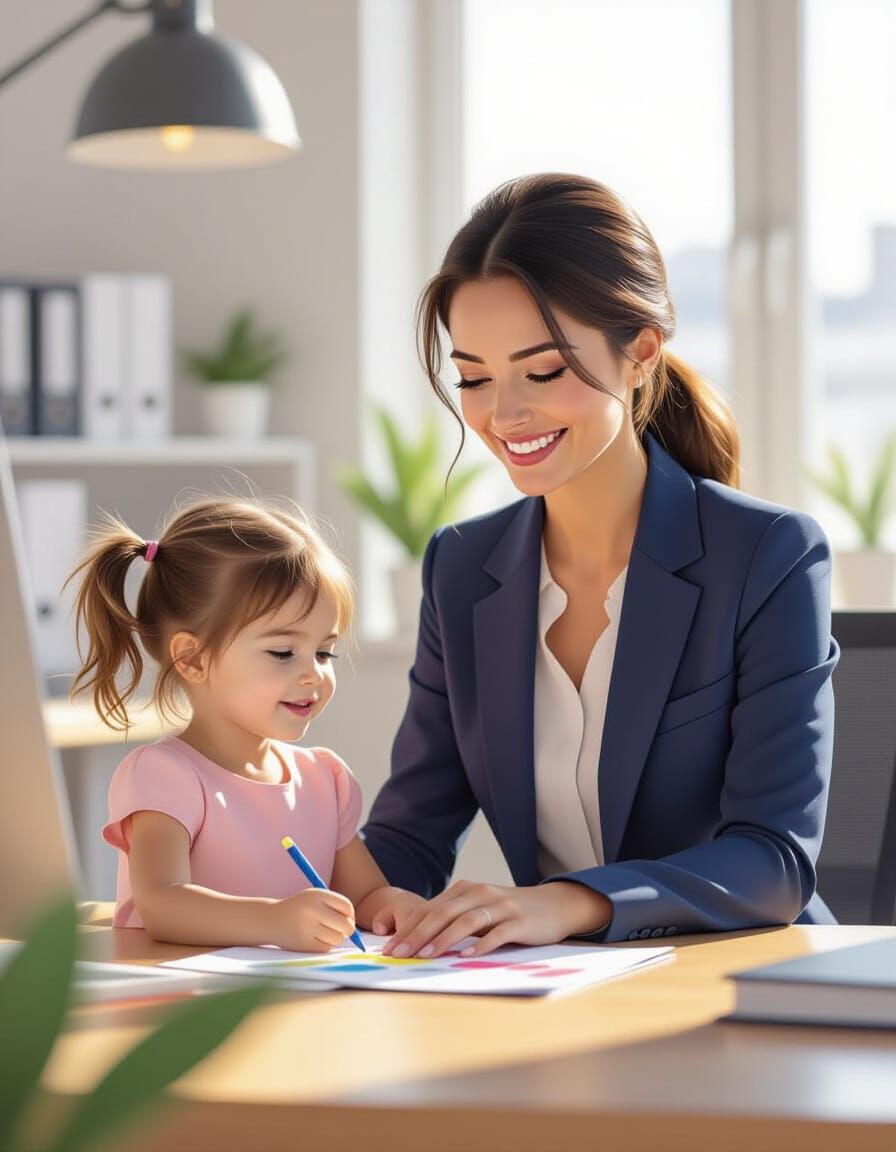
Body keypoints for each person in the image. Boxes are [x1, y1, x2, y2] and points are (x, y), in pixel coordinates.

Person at [362, 173, 839, 959]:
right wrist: (268, 858)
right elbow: (409, 837)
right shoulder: (462, 567)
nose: (503, 413)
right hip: (554, 990)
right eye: (474, 377)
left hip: (741, 983)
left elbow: (774, 860)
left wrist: (566, 903)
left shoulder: (768, 555)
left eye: (543, 371)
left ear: (641, 353)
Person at [66, 497, 423, 949]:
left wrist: (397, 907)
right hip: (176, 988)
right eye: (283, 652)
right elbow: (161, 904)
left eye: (324, 652)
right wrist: (275, 920)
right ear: (192, 659)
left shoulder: (324, 779)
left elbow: (366, 895)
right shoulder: (164, 776)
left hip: (292, 989)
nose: (313, 674)